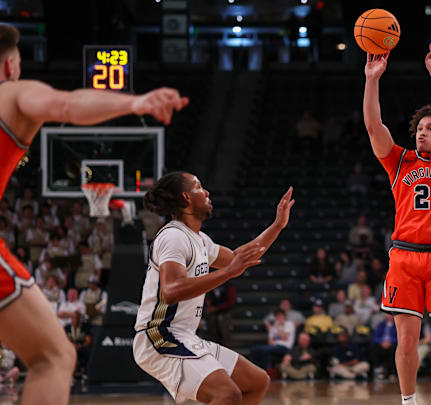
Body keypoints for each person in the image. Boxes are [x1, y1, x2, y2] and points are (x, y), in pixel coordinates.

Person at [0, 23, 189, 405]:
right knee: (53, 357)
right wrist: (135, 103)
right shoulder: (11, 92)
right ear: (9, 66)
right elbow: (68, 105)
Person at [364, 40, 431, 405]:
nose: (422, 132)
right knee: (406, 341)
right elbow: (373, 125)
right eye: (420, 128)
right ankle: (408, 402)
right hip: (405, 258)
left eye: (430, 127)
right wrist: (372, 79)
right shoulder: (399, 162)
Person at [133, 172, 294, 404]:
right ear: (186, 198)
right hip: (159, 335)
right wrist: (228, 272)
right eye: (199, 187)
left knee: (257, 382)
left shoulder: (200, 240)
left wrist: (277, 226)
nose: (207, 192)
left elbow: (240, 257)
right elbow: (171, 291)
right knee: (227, 394)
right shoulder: (173, 237)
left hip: (184, 335)